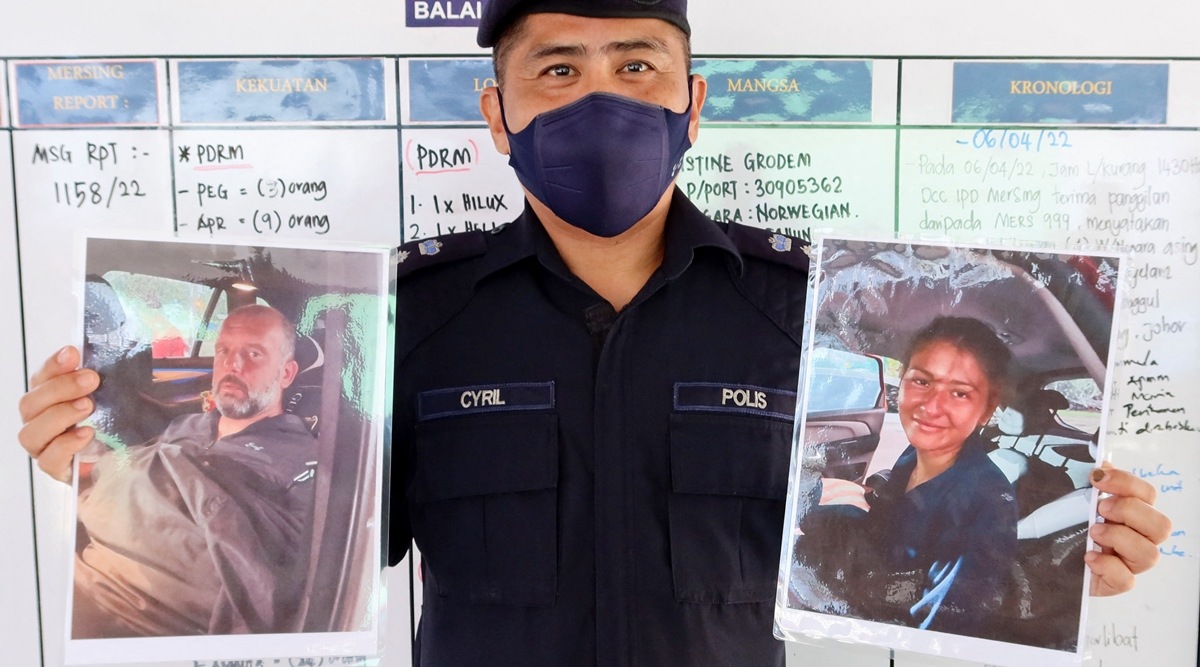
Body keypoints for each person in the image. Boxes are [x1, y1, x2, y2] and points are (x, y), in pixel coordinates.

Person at [19, 1, 1171, 664]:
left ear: (692, 99)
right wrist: (104, 464)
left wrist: (1054, 569)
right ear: (498, 112)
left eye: (638, 64)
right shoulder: (416, 319)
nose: (602, 99)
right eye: (557, 70)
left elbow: (887, 551)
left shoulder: (793, 311)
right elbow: (312, 551)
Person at [68, 304, 317, 638]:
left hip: (146, 623)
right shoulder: (188, 424)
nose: (232, 365)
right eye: (223, 351)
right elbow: (127, 469)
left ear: (286, 373)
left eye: (254, 354)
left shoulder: (302, 457)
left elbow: (268, 573)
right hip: (83, 571)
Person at [795, 317, 1020, 637]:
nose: (931, 407)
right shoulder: (915, 454)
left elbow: (943, 626)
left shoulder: (987, 505)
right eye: (922, 382)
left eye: (959, 393)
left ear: (986, 409)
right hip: (878, 560)